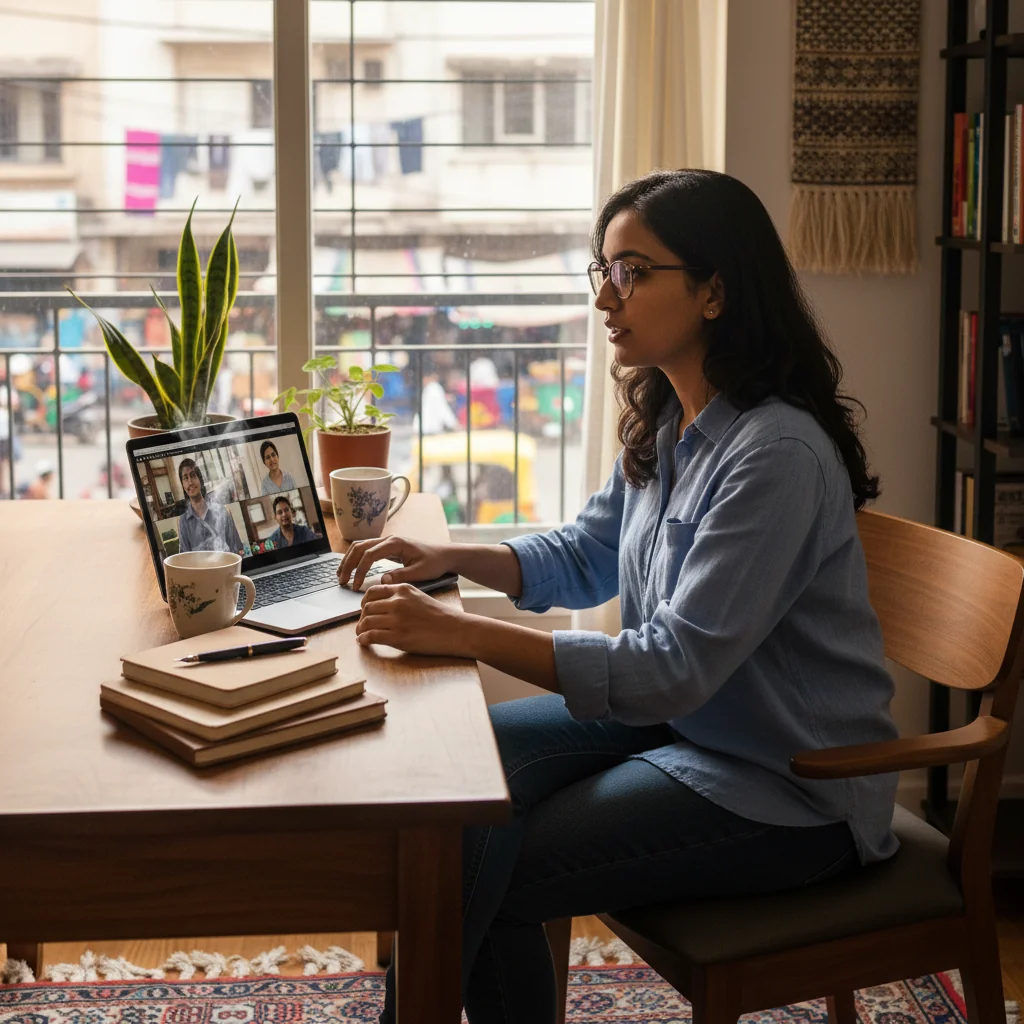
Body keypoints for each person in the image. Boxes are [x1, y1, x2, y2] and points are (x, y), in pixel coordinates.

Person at [338, 169, 900, 1024]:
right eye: (601, 270)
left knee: (493, 868)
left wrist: (464, 634)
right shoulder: (673, 420)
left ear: (714, 291)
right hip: (689, 729)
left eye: (632, 271)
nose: (606, 296)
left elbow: (670, 668)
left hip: (788, 787)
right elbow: (589, 554)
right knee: (461, 784)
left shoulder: (774, 454)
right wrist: (445, 555)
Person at [176, 457, 244, 555]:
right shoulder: (183, 521)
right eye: (185, 478)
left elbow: (237, 550)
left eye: (193, 475)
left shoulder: (221, 511)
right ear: (183, 484)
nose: (190, 482)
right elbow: (185, 560)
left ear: (200, 479)